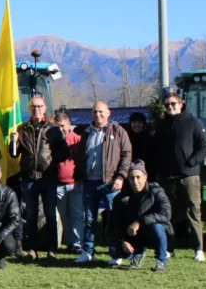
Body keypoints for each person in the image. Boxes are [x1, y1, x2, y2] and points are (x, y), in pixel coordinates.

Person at [8, 97, 70, 261]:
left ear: (45, 108)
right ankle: (32, 249)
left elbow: (65, 152)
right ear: (29, 108)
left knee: (50, 214)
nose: (36, 109)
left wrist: (50, 161)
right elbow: (14, 154)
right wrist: (12, 142)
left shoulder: (54, 129)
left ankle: (51, 250)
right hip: (28, 178)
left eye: (39, 106)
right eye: (33, 106)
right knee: (31, 215)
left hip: (48, 177)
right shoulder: (22, 129)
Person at [153, 92, 206, 262]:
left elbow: (204, 145)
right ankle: (169, 248)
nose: (170, 107)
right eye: (167, 105)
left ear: (181, 104)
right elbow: (156, 150)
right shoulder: (162, 126)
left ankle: (199, 249)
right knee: (167, 213)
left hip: (189, 176)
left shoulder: (193, 122)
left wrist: (192, 162)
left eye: (173, 104)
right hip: (167, 177)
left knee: (193, 211)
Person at [74, 101, 132, 263]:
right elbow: (80, 157)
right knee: (90, 219)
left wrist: (120, 177)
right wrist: (79, 178)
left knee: (114, 218)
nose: (97, 115)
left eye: (100, 112)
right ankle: (88, 252)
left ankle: (116, 253)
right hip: (89, 183)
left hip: (110, 183)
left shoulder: (118, 131)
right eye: (94, 112)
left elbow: (127, 155)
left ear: (108, 113)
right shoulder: (86, 133)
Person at [106, 160, 172, 272]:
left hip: (152, 231)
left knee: (158, 227)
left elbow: (166, 214)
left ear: (145, 177)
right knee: (114, 250)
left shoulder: (157, 191)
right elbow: (113, 224)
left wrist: (139, 222)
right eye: (132, 178)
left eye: (138, 177)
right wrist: (122, 241)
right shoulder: (122, 197)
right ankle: (137, 254)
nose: (135, 181)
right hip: (133, 235)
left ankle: (161, 261)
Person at [54, 111, 84, 254]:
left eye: (63, 126)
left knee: (77, 214)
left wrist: (80, 179)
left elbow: (83, 161)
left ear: (69, 125)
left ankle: (77, 244)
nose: (61, 129)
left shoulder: (78, 140)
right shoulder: (53, 141)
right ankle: (68, 242)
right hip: (58, 183)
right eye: (57, 127)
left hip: (75, 183)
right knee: (63, 215)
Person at [125, 112, 155, 180]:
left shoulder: (150, 138)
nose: (136, 125)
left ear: (143, 124)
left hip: (148, 175)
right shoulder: (126, 139)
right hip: (131, 175)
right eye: (134, 122)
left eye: (139, 122)